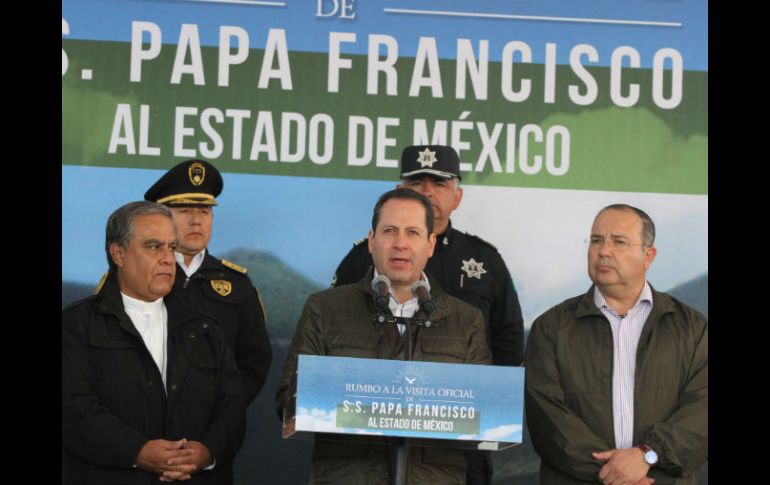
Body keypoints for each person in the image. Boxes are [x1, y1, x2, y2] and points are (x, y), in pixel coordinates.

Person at [332, 145, 524, 484]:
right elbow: (331, 340)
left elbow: (508, 347)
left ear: (458, 196)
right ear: (398, 191)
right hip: (367, 443)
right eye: (417, 182)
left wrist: (481, 407)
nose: (428, 192)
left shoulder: (484, 261)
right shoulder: (363, 258)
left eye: (439, 184)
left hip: (457, 446)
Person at [276, 188, 492, 485]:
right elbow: (287, 399)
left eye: (413, 233)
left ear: (430, 244)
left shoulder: (466, 320)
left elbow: (483, 413)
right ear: (371, 240)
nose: (400, 244)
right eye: (390, 231)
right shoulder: (325, 309)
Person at [62, 201, 245, 484]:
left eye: (172, 248)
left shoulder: (205, 327)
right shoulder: (77, 325)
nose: (168, 259)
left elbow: (232, 407)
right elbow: (73, 409)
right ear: (118, 254)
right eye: (153, 247)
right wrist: (136, 451)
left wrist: (207, 452)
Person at [525, 204, 708, 485]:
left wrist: (649, 456)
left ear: (648, 256)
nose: (603, 251)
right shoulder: (551, 328)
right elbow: (548, 422)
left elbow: (701, 413)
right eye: (596, 240)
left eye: (618, 242)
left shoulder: (692, 328)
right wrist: (615, 475)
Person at [144, 159, 272, 407]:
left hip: (212, 430)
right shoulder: (136, 275)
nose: (196, 221)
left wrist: (223, 418)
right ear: (161, 218)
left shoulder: (237, 284)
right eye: (184, 211)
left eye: (204, 211)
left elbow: (254, 361)